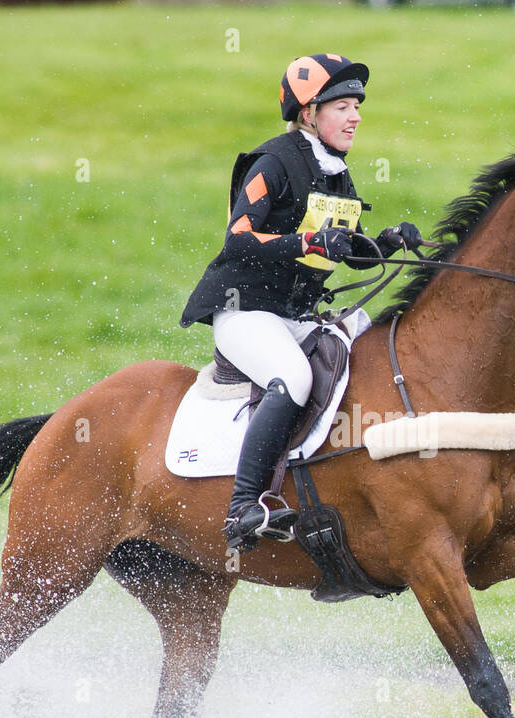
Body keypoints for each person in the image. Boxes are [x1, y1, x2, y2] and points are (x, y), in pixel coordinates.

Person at [181, 53, 421, 554]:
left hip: (297, 315)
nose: (354, 116)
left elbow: (349, 252)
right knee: (293, 377)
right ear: (309, 113)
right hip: (245, 311)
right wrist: (307, 245)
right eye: (342, 107)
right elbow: (238, 239)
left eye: (357, 106)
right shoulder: (273, 162)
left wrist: (388, 240)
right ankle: (245, 507)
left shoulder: (336, 172)